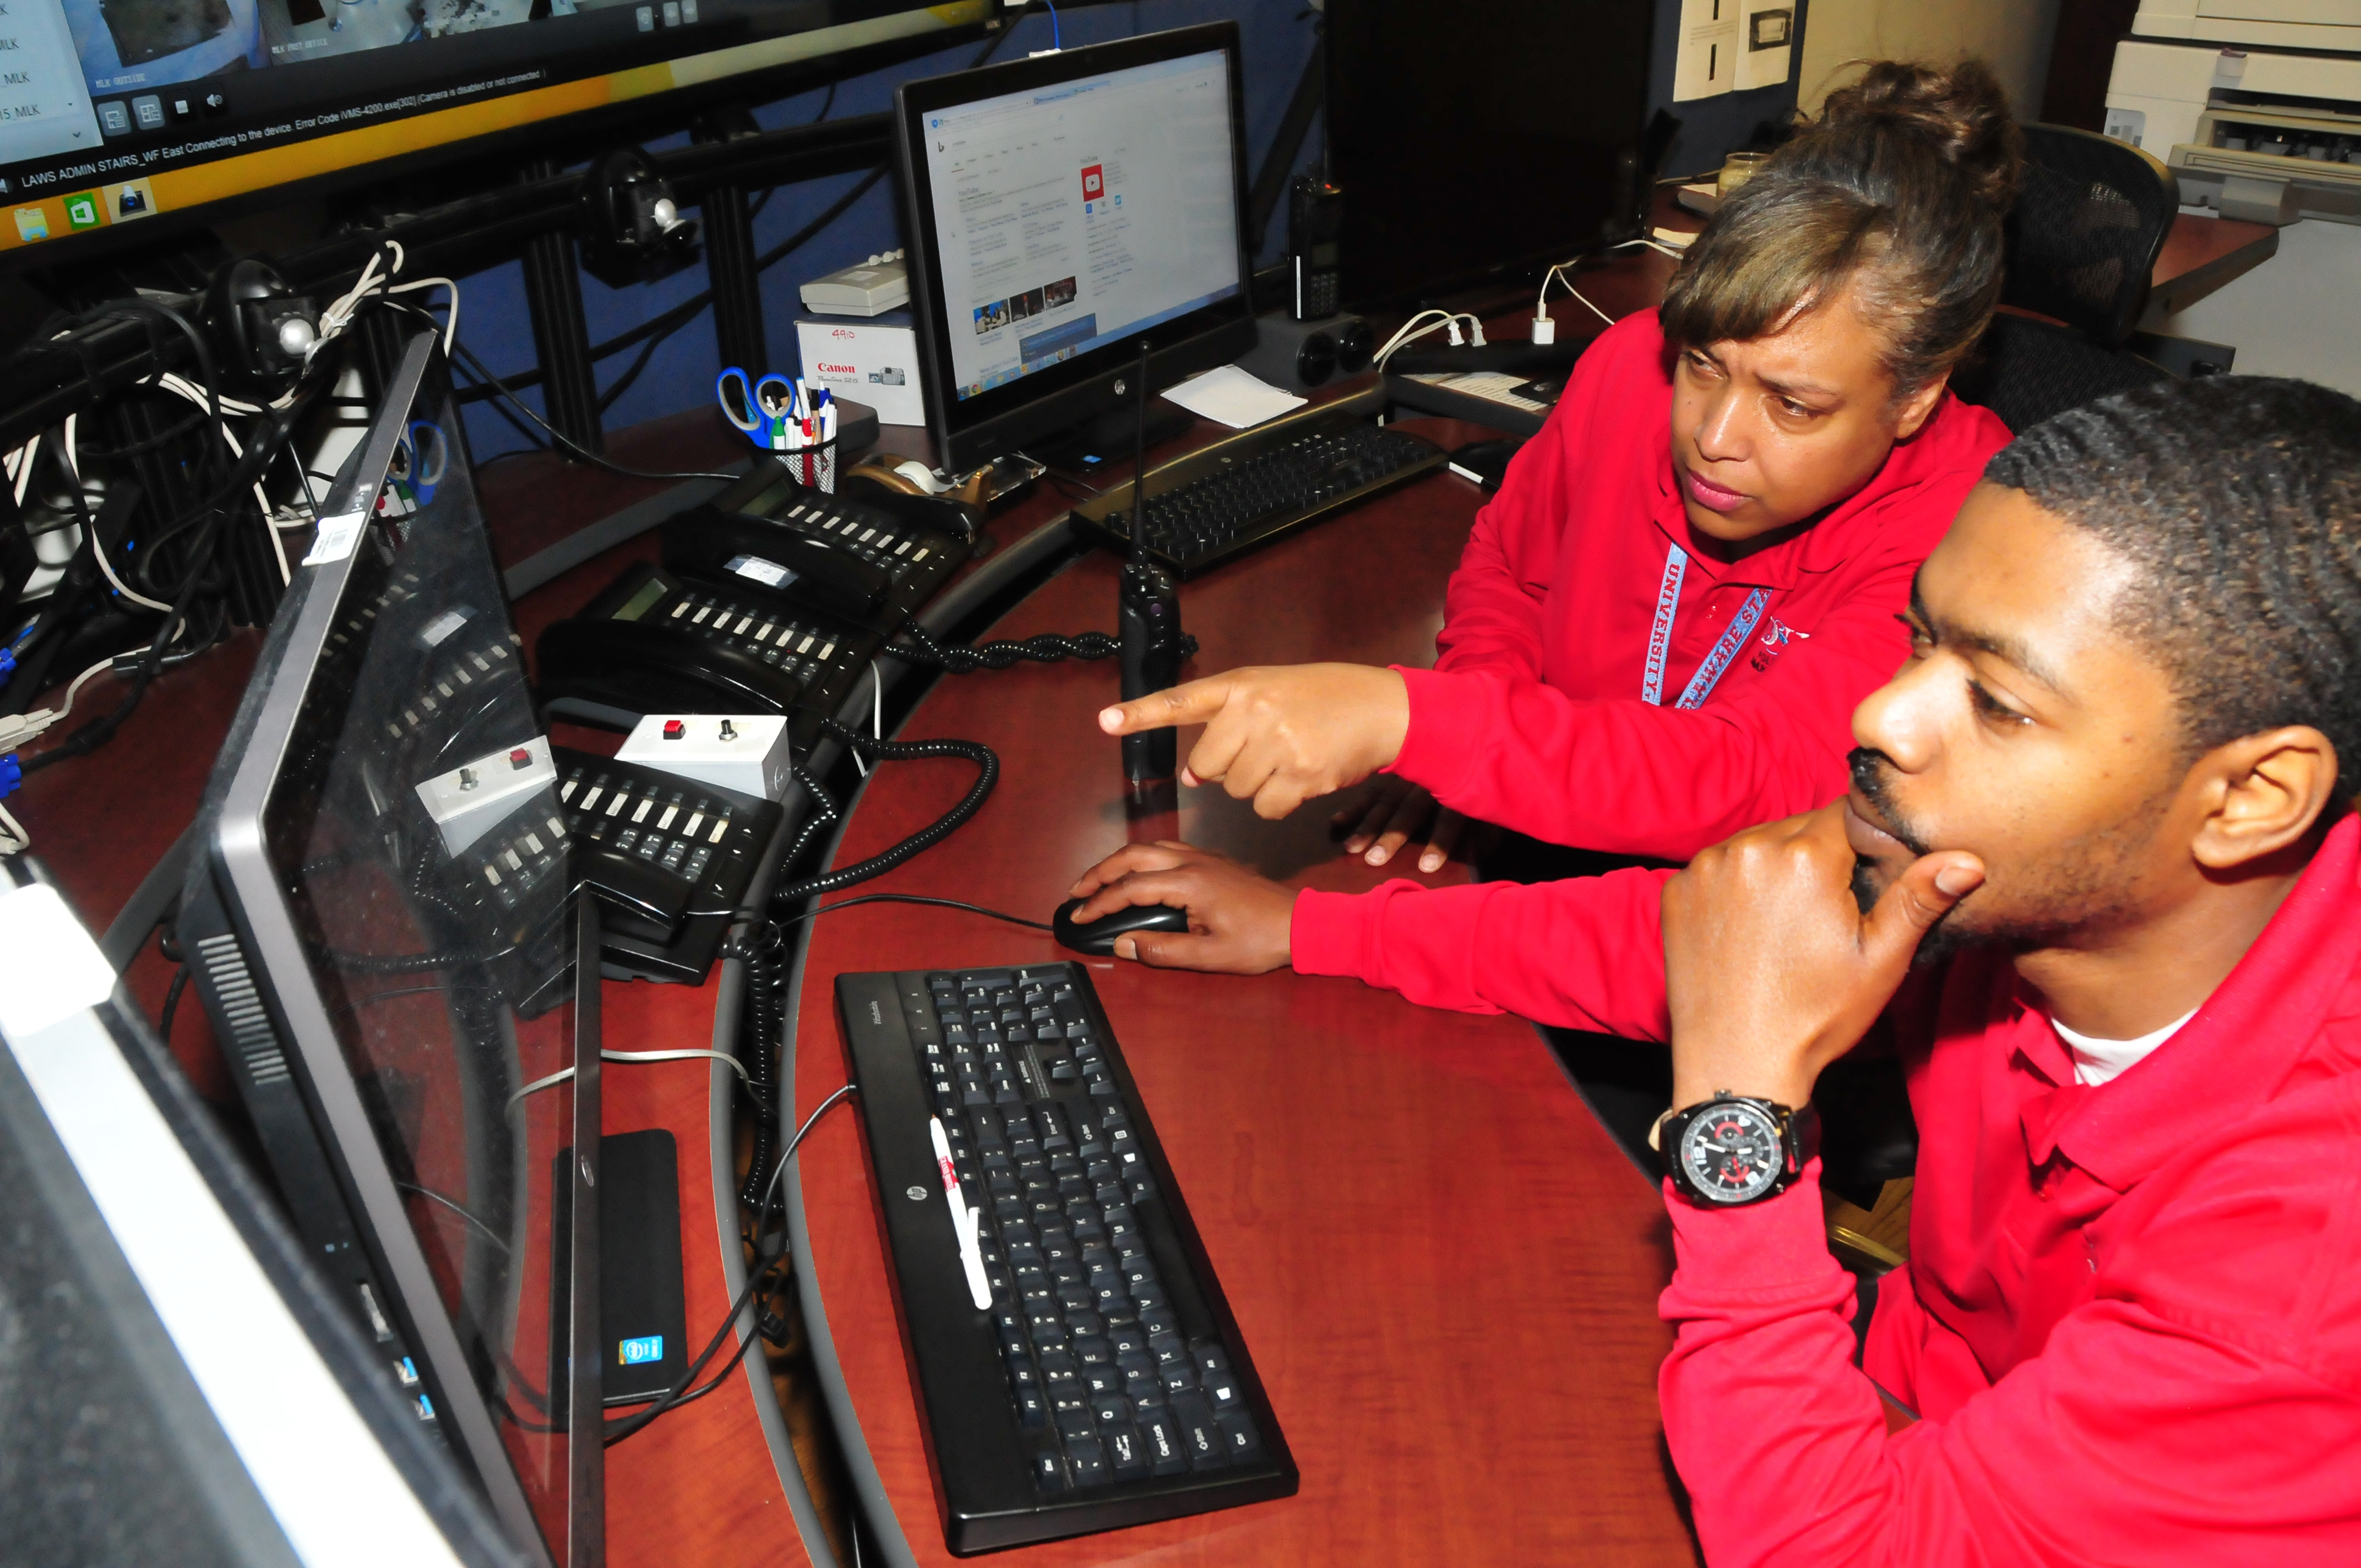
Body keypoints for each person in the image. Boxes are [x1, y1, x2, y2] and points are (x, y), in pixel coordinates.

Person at [1091, 375, 2361, 1559]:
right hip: (1924, 1409)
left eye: (1997, 702)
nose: (1883, 715)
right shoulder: (2013, 868)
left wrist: (1737, 1115)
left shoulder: (2297, 1281)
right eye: (1922, 641)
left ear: (2251, 797)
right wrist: (1311, 929)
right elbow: (1701, 940)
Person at [1085, 61, 2015, 894]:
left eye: (1794, 406)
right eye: (1703, 364)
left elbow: (1749, 780)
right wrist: (1478, 734)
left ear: (1915, 398)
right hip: (1544, 839)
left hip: (1727, 909)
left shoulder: (1975, 522)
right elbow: (1507, 562)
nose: (1716, 437)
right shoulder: (1628, 367)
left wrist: (1419, 725)